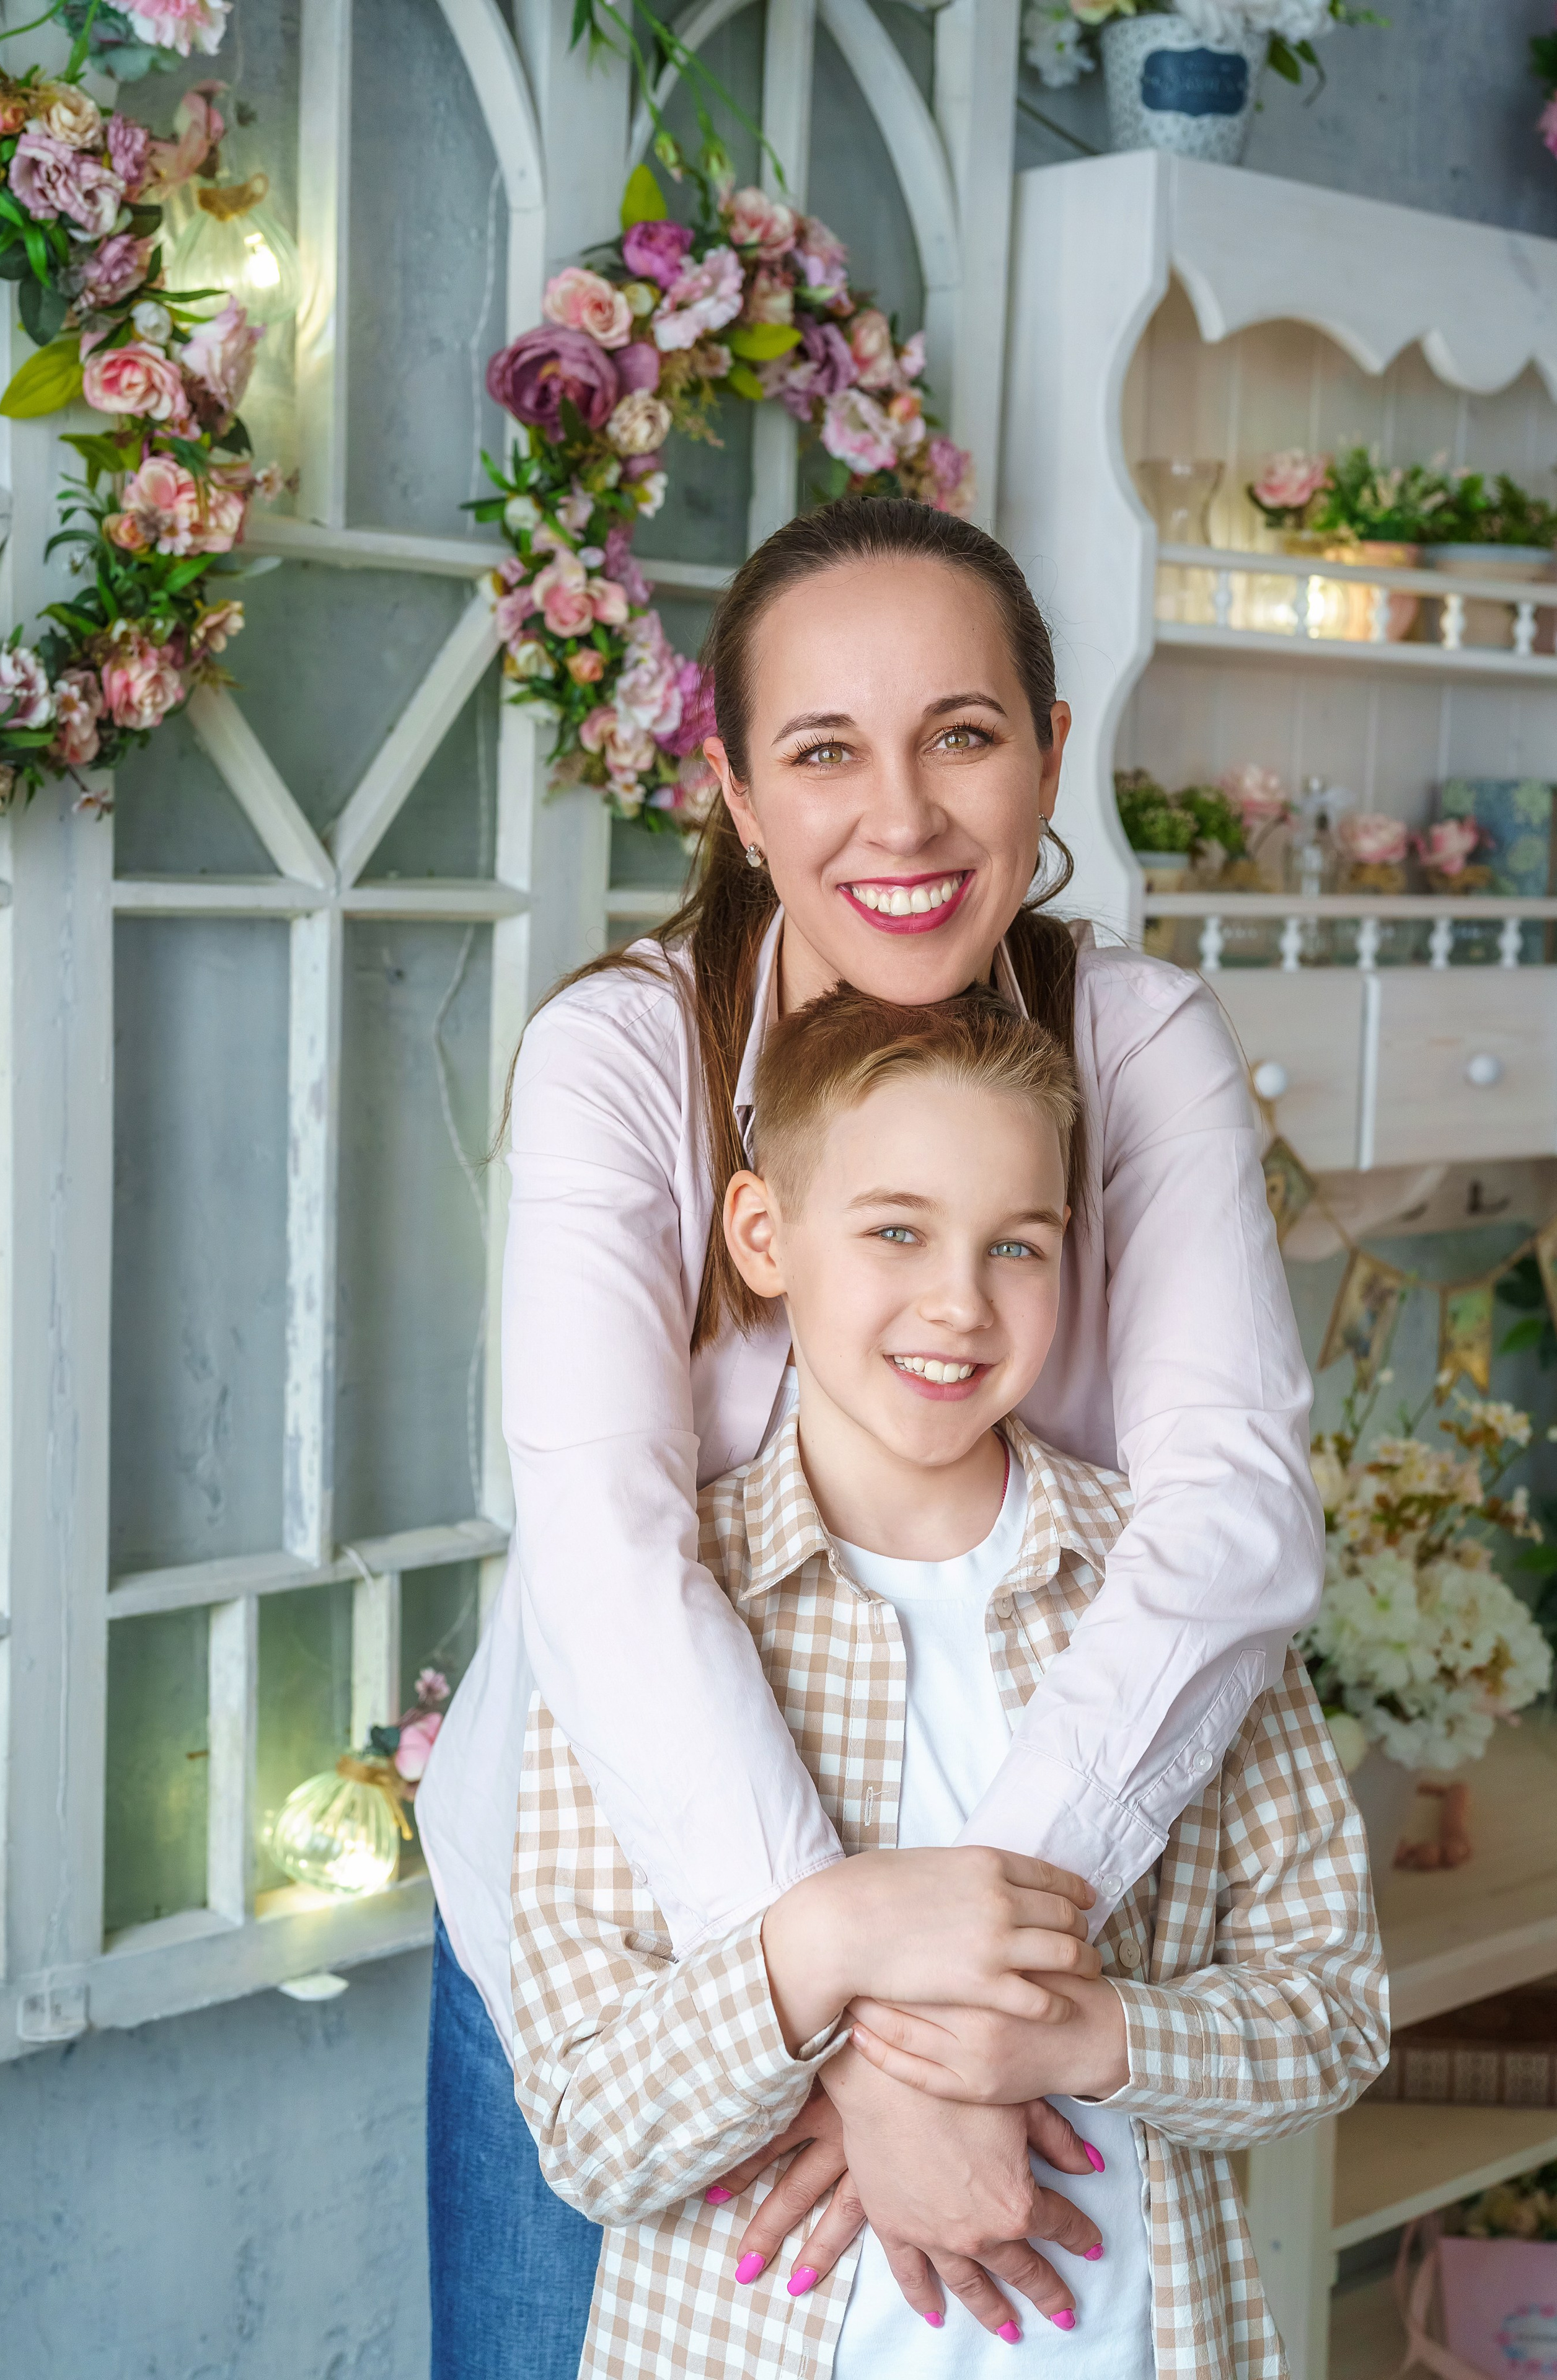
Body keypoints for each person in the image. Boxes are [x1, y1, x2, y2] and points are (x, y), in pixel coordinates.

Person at [417, 497, 1325, 2379]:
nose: (899, 819)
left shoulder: (1138, 1043)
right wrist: (834, 1995)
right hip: (638, 1941)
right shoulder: (625, 1058)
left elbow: (1228, 1522)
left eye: (961, 736)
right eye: (824, 751)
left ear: (1049, 752)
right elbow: (606, 1548)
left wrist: (955, 1993)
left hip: (1034, 1954)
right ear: (738, 794)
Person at [506, 984, 1387, 2377]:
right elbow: (589, 2132)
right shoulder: (653, 1622)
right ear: (762, 1234)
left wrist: (1090, 2037)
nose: (960, 1304)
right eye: (896, 1231)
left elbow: (1332, 2019)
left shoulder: (1171, 1597)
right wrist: (817, 1950)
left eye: (1017, 1246)